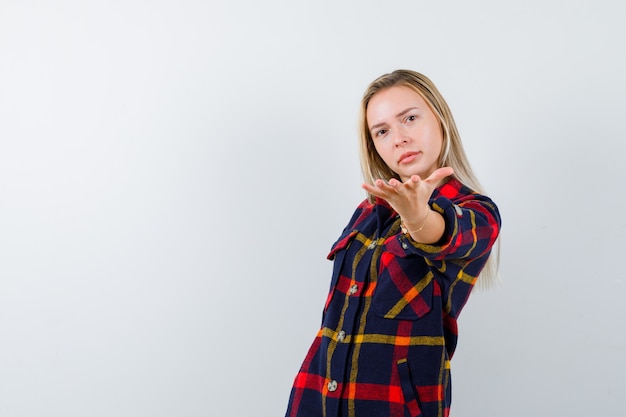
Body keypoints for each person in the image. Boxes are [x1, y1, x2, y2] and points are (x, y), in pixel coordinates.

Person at [285, 69, 501, 417]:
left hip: (392, 407)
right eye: (382, 131)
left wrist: (416, 216)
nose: (398, 138)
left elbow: (440, 232)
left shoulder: (478, 213)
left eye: (410, 119)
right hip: (316, 398)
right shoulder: (368, 212)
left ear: (440, 118)